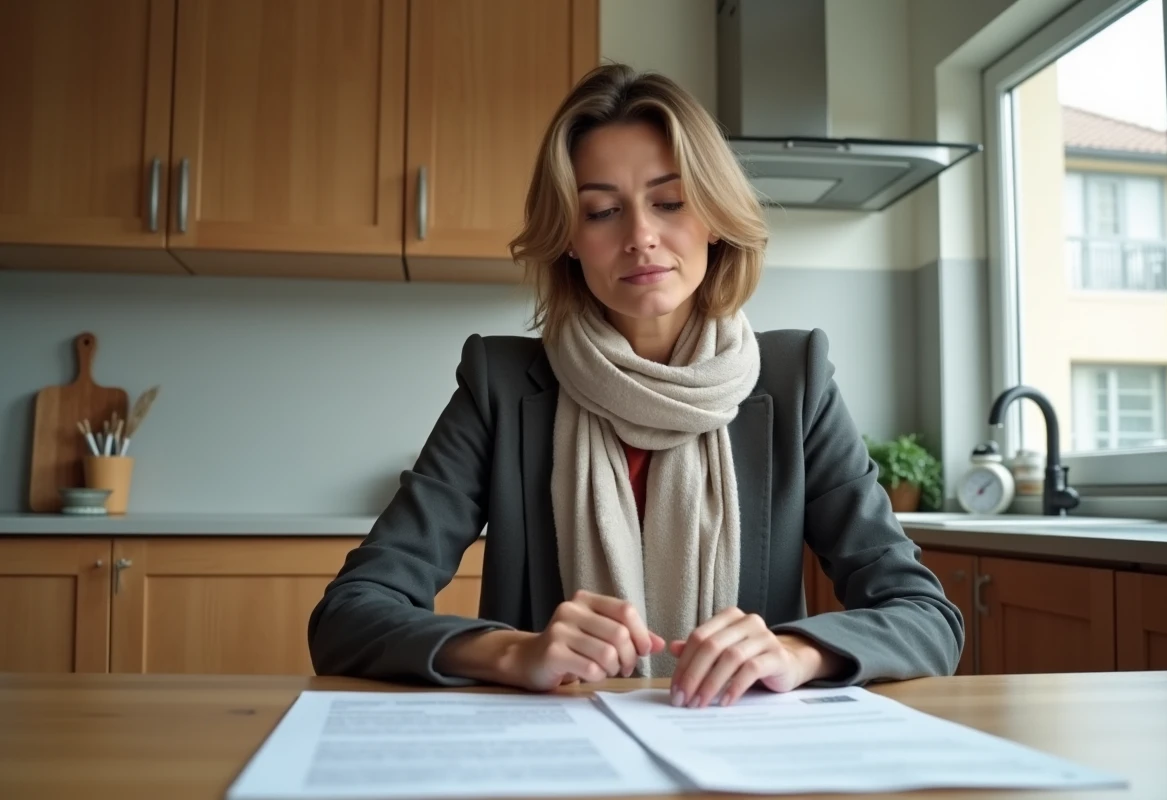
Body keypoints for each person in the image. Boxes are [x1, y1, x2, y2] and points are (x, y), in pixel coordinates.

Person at [308, 63, 964, 709]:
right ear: (569, 238)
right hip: (554, 750)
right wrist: (512, 651)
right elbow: (349, 615)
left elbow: (926, 618)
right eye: (601, 211)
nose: (641, 237)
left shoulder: (796, 382)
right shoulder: (500, 387)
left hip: (745, 759)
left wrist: (795, 652)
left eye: (670, 202)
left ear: (712, 216)